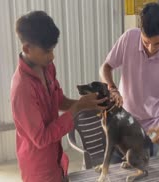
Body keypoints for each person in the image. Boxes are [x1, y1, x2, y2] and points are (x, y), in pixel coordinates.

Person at [10, 11, 108, 182]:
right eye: (47, 51)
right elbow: (41, 138)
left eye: (53, 49)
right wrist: (78, 108)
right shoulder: (22, 89)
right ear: (27, 48)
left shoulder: (47, 67)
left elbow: (58, 100)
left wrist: (86, 104)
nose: (52, 56)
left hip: (57, 162)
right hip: (39, 171)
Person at [100, 3, 159, 158]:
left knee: (144, 174)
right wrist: (112, 88)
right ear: (140, 30)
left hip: (149, 132)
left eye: (157, 43)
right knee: (114, 174)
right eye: (145, 42)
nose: (150, 48)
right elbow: (106, 67)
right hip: (121, 124)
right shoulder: (129, 38)